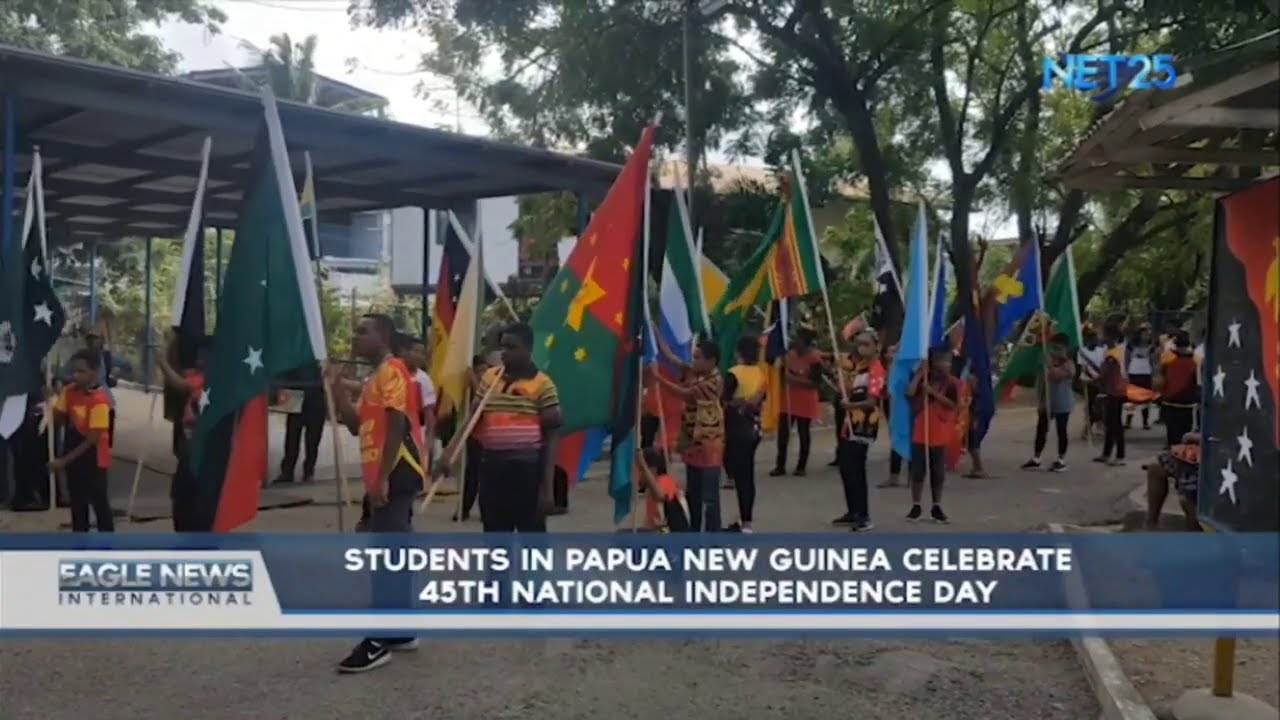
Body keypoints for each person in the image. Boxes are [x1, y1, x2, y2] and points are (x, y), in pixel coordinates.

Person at [327, 313, 426, 673]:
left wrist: (383, 477)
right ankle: (400, 631)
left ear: (383, 337)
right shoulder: (374, 379)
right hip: (383, 472)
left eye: (362, 331)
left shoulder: (393, 370)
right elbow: (356, 426)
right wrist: (337, 390)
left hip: (396, 470)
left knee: (387, 555)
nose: (355, 338)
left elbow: (398, 421)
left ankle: (378, 639)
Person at [463, 322, 561, 533]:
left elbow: (552, 438)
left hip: (526, 472)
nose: (504, 353)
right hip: (491, 468)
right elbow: (472, 419)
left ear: (528, 350)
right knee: (495, 535)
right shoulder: (489, 379)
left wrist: (547, 488)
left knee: (531, 538)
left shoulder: (543, 385)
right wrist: (449, 454)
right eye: (502, 347)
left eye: (511, 347)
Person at [649, 338, 724, 532]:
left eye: (698, 358)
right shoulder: (697, 373)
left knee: (709, 498)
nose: (694, 361)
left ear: (711, 361)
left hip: (709, 446)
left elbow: (685, 393)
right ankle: (694, 533)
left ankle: (713, 539)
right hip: (693, 444)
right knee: (694, 495)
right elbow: (671, 358)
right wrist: (654, 331)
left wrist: (658, 379)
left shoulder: (713, 382)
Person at [47, 349, 116, 533]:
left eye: (81, 371)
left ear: (93, 373)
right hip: (74, 455)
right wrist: (52, 401)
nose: (75, 376)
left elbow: (92, 439)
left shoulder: (100, 400)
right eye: (74, 371)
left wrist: (63, 461)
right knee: (77, 505)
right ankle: (80, 544)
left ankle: (108, 545)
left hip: (94, 460)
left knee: (100, 504)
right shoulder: (69, 392)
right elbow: (58, 418)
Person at [153, 336, 211, 531]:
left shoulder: (208, 379)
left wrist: (162, 363)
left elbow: (180, 383)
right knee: (182, 491)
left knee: (193, 494)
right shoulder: (199, 376)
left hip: (201, 445)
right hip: (188, 441)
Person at [831, 330, 885, 531]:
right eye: (859, 343)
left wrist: (850, 406)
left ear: (875, 347)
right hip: (848, 424)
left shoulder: (876, 369)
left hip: (863, 424)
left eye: (866, 344)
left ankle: (863, 514)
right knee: (845, 466)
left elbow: (873, 400)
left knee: (856, 469)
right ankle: (852, 510)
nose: (861, 347)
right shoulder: (857, 367)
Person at [905, 346, 959, 523]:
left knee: (937, 471)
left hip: (939, 430)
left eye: (948, 361)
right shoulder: (923, 379)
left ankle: (937, 505)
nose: (945, 364)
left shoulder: (951, 383)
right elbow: (910, 393)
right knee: (918, 470)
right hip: (920, 429)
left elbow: (953, 405)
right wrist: (921, 373)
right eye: (941, 360)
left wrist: (933, 393)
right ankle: (916, 505)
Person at [722, 335, 765, 533]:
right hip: (753, 427)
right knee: (747, 474)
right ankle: (746, 520)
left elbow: (723, 401)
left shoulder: (733, 374)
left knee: (738, 473)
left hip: (734, 427)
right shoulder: (760, 373)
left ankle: (741, 518)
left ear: (738, 352)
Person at [772, 329, 823, 477]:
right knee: (783, 434)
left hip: (805, 401)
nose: (795, 342)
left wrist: (794, 380)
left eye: (798, 340)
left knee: (803, 432)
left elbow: (815, 383)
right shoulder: (789, 355)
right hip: (788, 400)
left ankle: (801, 466)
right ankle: (780, 465)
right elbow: (781, 376)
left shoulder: (814, 359)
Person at [1022, 333, 1076, 472]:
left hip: (1062, 403)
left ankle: (1061, 459)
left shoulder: (1069, 364)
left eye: (1059, 347)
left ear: (1065, 347)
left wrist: (1050, 364)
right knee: (1041, 430)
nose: (1056, 350)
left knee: (1061, 430)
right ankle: (1036, 458)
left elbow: (1057, 376)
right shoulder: (1045, 359)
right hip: (1046, 402)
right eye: (1054, 346)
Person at [272, 362, 326, 485]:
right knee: (292, 437)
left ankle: (308, 472)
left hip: (315, 398)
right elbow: (283, 374)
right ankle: (287, 472)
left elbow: (328, 377)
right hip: (295, 396)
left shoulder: (320, 357)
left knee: (312, 440)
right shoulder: (295, 354)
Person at [453, 354, 489, 523]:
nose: (483, 373)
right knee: (471, 475)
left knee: (487, 478)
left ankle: (487, 510)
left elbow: (484, 402)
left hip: (489, 437)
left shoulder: (492, 385)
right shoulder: (466, 387)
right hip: (473, 436)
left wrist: (474, 380)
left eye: (485, 369)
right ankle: (463, 508)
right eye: (479, 370)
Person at [1145, 433, 1200, 531]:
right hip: (1198, 450)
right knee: (1155, 468)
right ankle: (1151, 524)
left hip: (1220, 453)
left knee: (1187, 496)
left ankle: (1196, 536)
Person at [1095, 321, 1128, 466]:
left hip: (1115, 391)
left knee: (1115, 424)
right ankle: (1106, 453)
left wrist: (1091, 380)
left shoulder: (1114, 354)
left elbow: (1104, 374)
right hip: (1112, 390)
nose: (1101, 337)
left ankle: (1120, 456)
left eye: (1104, 334)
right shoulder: (1111, 351)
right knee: (1110, 423)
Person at [1158, 331, 1199, 448]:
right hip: (1187, 401)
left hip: (1170, 399)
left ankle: (1172, 449)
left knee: (1171, 430)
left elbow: (1161, 377)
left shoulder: (1167, 357)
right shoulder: (1196, 359)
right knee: (1184, 430)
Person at [636, 447, 690, 533]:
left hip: (671, 535)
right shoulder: (650, 489)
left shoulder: (665, 480)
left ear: (653, 469)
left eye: (640, 470)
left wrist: (643, 466)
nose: (638, 474)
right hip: (660, 531)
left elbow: (660, 496)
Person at [83, 332, 117, 447]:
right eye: (90, 339)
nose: (93, 342)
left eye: (96, 339)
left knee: (104, 439)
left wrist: (112, 376)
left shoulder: (105, 357)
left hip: (104, 401)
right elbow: (66, 373)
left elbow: (126, 365)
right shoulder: (81, 356)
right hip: (88, 400)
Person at [878, 342, 904, 488]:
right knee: (895, 439)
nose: (889, 354)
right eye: (888, 352)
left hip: (904, 405)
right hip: (891, 405)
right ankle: (894, 476)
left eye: (893, 351)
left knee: (906, 438)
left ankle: (913, 477)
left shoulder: (903, 367)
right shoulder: (887, 368)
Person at [1076, 325, 1106, 441]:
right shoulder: (1082, 351)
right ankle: (1086, 429)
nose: (1095, 340)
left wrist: (1100, 377)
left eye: (1096, 338)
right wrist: (1094, 378)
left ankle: (1099, 426)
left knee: (1100, 405)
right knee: (1090, 406)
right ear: (1088, 340)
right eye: (1093, 338)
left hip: (1100, 381)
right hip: (1088, 382)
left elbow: (1103, 365)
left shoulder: (1101, 350)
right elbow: (1084, 368)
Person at [1125, 324, 1155, 430]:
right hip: (1133, 371)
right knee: (1131, 398)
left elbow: (1152, 360)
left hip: (1146, 372)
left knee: (1146, 398)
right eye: (1144, 333)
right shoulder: (1131, 345)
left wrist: (1153, 373)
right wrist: (1126, 371)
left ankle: (1145, 421)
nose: (1146, 336)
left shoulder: (1151, 345)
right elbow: (1127, 358)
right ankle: (1128, 421)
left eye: (1148, 334)